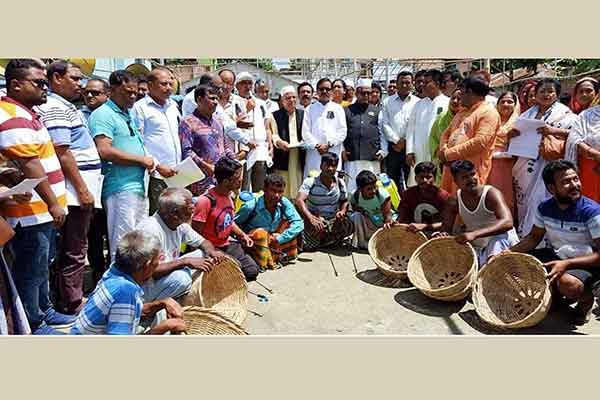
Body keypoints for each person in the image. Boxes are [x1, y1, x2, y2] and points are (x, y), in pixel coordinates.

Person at [0, 59, 72, 334]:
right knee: (31, 268)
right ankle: (33, 320)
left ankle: (44, 309)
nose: (45, 88)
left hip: (39, 209)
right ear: (16, 84)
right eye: (39, 83)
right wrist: (53, 203)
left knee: (42, 265)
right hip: (29, 211)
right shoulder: (12, 116)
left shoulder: (26, 112)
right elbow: (31, 164)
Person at [35, 60, 102, 315]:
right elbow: (63, 153)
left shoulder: (66, 107)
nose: (80, 84)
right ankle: (71, 302)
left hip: (80, 188)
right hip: (74, 191)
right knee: (75, 248)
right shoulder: (55, 108)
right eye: (74, 78)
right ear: (56, 79)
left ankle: (66, 298)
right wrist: (82, 189)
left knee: (74, 246)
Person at [508, 160, 600, 325]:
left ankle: (585, 300)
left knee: (569, 285)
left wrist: (565, 265)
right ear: (551, 189)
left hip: (587, 262)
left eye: (575, 179)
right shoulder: (544, 208)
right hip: (559, 255)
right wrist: (507, 253)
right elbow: (533, 238)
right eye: (566, 181)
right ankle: (556, 298)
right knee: (517, 264)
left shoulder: (591, 212)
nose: (574, 185)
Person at [89, 70, 155, 260]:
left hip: (137, 187)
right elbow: (104, 150)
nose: (133, 96)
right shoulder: (103, 114)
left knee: (137, 243)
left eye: (135, 92)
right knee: (123, 244)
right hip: (119, 188)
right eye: (128, 92)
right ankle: (119, 286)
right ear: (112, 90)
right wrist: (142, 160)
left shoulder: (126, 114)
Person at [70, 230, 187, 335]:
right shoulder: (126, 291)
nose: (159, 264)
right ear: (147, 265)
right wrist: (162, 328)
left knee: (160, 314)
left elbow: (132, 310)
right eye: (158, 261)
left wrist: (162, 303)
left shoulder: (114, 271)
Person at [510, 78, 577, 239]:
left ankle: (544, 241)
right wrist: (513, 135)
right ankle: (525, 238)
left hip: (550, 167)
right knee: (525, 203)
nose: (546, 94)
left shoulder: (566, 115)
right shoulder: (527, 114)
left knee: (542, 200)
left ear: (557, 94)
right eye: (542, 91)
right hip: (525, 166)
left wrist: (552, 130)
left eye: (550, 91)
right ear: (536, 94)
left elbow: (576, 136)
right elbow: (515, 135)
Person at [136, 188, 223, 302]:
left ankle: (178, 297)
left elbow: (203, 242)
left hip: (164, 275)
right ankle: (153, 308)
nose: (193, 210)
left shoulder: (179, 224)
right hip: (143, 288)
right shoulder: (150, 230)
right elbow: (148, 273)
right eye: (189, 208)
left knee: (203, 254)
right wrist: (184, 262)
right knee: (181, 279)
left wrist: (213, 252)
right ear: (174, 214)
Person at [437, 160, 518, 265]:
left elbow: (508, 222)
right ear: (456, 181)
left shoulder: (491, 194)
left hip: (502, 241)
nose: (471, 179)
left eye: (473, 174)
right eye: (465, 177)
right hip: (479, 246)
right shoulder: (454, 201)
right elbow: (446, 229)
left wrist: (475, 234)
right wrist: (442, 235)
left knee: (495, 249)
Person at [191, 157, 259, 281]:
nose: (241, 180)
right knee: (235, 269)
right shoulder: (205, 201)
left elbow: (229, 220)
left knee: (252, 270)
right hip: (210, 249)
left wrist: (242, 235)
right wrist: (209, 253)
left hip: (227, 244)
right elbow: (195, 235)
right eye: (237, 178)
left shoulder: (229, 196)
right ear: (226, 182)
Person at [438, 77, 500, 196]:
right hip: (451, 167)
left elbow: (480, 142)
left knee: (468, 204)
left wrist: (448, 154)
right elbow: (446, 133)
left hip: (470, 171)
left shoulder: (488, 113)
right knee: (449, 202)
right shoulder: (462, 111)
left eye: (461, 92)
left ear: (470, 92)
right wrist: (443, 149)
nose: (459, 97)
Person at [131, 68, 181, 215]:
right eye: (164, 84)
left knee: (175, 214)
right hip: (156, 174)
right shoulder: (140, 108)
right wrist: (157, 166)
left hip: (176, 172)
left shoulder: (172, 106)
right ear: (150, 85)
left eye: (170, 84)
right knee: (159, 214)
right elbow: (138, 141)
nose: (169, 88)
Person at [78, 78, 111, 284]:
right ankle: (98, 272)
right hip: (90, 182)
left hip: (112, 179)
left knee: (112, 230)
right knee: (94, 233)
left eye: (95, 93)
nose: (90, 96)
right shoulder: (80, 116)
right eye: (87, 92)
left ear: (107, 95)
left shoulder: (113, 115)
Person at [234, 174, 303, 270]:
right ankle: (262, 262)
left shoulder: (283, 202)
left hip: (273, 238)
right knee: (260, 233)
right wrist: (242, 237)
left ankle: (278, 257)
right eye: (273, 191)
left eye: (280, 192)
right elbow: (233, 224)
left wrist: (280, 238)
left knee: (289, 224)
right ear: (265, 190)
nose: (277, 195)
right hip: (254, 242)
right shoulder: (251, 206)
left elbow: (298, 223)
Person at [179, 84, 235, 196]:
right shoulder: (188, 122)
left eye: (217, 99)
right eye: (212, 98)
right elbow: (187, 152)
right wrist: (206, 166)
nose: (215, 102)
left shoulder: (218, 121)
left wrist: (234, 161)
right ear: (199, 99)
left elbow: (224, 145)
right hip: (201, 181)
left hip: (222, 179)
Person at [295, 152, 353, 251]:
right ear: (321, 166)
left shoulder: (340, 183)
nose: (330, 169)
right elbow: (299, 201)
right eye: (327, 165)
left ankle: (328, 239)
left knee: (349, 224)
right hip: (316, 219)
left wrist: (342, 211)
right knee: (315, 232)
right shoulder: (310, 182)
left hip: (333, 219)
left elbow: (345, 201)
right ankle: (326, 240)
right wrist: (311, 218)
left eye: (333, 166)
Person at [405, 69, 450, 186]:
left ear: (438, 83)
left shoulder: (448, 103)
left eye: (426, 82)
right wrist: (409, 151)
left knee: (438, 183)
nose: (422, 85)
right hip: (418, 152)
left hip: (438, 151)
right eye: (421, 82)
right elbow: (410, 130)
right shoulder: (418, 105)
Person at [343, 78, 387, 192]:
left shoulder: (377, 111)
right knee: (352, 187)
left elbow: (382, 132)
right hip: (353, 156)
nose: (366, 95)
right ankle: (352, 209)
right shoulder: (346, 110)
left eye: (369, 93)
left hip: (372, 156)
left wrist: (383, 151)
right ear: (357, 93)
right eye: (363, 93)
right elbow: (342, 132)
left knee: (372, 187)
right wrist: (342, 150)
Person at [380, 71, 419, 191]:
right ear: (396, 83)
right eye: (402, 82)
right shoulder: (387, 102)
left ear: (412, 84)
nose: (405, 85)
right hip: (394, 148)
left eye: (408, 82)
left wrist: (406, 142)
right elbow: (385, 124)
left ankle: (410, 205)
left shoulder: (418, 102)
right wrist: (397, 141)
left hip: (411, 148)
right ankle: (396, 206)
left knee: (411, 179)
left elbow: (417, 125)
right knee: (393, 180)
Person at [234, 72, 273, 192]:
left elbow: (267, 127)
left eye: (249, 83)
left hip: (260, 149)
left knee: (260, 186)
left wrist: (270, 145)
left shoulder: (260, 103)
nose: (247, 86)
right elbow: (231, 124)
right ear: (237, 86)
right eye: (243, 83)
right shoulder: (234, 102)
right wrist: (247, 109)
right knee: (243, 186)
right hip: (243, 149)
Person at [302, 78, 347, 178]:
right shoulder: (309, 109)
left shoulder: (338, 108)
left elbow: (342, 131)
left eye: (327, 89)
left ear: (331, 91)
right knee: (313, 181)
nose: (324, 91)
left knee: (333, 182)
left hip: (333, 151)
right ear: (317, 91)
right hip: (314, 153)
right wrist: (317, 145)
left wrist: (329, 145)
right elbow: (305, 132)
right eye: (321, 89)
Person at [487, 91, 520, 214]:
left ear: (515, 105)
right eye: (502, 101)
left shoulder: (519, 122)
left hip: (509, 163)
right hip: (489, 161)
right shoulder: (490, 120)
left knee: (506, 191)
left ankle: (507, 220)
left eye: (510, 102)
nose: (506, 104)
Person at [395, 161, 450, 234]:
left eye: (428, 177)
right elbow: (402, 218)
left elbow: (448, 223)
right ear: (415, 178)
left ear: (435, 178)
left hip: (437, 235)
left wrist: (424, 226)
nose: (424, 180)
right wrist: (395, 224)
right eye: (421, 177)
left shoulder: (443, 196)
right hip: (413, 234)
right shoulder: (408, 194)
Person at [271, 86, 305, 199]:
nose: (291, 100)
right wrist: (279, 142)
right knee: (283, 186)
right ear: (282, 100)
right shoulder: (275, 115)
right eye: (288, 98)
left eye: (294, 97)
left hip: (299, 155)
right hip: (283, 155)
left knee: (298, 183)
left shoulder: (303, 114)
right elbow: (274, 134)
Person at [349, 170, 395, 249]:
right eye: (369, 189)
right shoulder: (355, 195)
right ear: (360, 189)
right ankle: (362, 243)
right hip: (371, 224)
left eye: (375, 187)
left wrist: (387, 225)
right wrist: (362, 211)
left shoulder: (382, 195)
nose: (373, 191)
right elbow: (354, 207)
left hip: (384, 227)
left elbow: (388, 217)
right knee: (356, 216)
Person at [565, 100, 600, 203]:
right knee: (591, 206)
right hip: (591, 169)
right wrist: (595, 154)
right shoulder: (586, 115)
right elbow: (574, 139)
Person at [429, 87, 463, 184]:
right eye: (453, 98)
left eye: (459, 99)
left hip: (460, 161)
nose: (455, 101)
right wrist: (438, 151)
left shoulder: (468, 118)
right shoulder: (441, 117)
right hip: (442, 162)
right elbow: (433, 137)